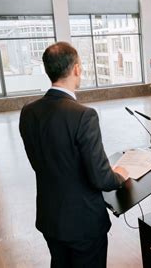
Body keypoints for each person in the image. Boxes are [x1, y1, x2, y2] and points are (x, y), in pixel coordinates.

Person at [19, 42, 128, 267]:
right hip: (83, 223)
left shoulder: (28, 112)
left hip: (50, 218)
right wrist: (119, 175)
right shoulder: (83, 115)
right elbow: (101, 178)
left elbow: (39, 163)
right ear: (76, 69)